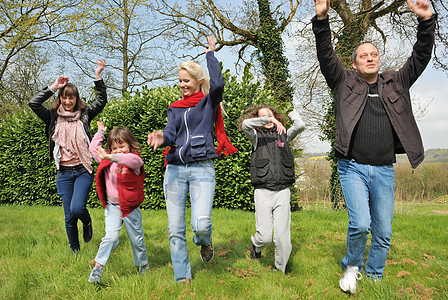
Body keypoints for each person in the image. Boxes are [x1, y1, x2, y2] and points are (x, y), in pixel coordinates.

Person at [312, 0, 436, 293]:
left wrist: (426, 20)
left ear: (379, 60)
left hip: (383, 170)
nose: (369, 58)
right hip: (352, 167)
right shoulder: (344, 82)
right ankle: (352, 267)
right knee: (360, 224)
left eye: (374, 54)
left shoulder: (396, 82)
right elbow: (326, 55)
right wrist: (321, 18)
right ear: (354, 63)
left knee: (383, 232)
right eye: (363, 56)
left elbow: (420, 56)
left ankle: (375, 276)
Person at [147, 35, 237, 283]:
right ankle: (182, 277)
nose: (182, 85)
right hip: (175, 170)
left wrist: (211, 55)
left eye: (186, 81)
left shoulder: (209, 103)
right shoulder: (175, 107)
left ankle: (204, 242)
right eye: (180, 81)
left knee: (201, 224)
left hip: (202, 169)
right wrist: (160, 137)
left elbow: (217, 84)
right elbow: (170, 134)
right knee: (175, 230)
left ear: (198, 82)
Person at [29, 60, 107, 252]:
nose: (68, 101)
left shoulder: (85, 114)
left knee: (77, 209)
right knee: (69, 217)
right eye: (64, 98)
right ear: (60, 98)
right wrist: (54, 87)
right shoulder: (52, 116)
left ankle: (87, 222)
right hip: (63, 173)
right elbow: (33, 102)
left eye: (71, 98)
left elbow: (102, 100)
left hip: (82, 169)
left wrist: (98, 76)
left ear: (76, 99)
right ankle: (75, 252)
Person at [239, 105, 305, 273]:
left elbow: (300, 126)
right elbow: (246, 124)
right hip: (263, 192)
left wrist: (292, 114)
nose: (268, 118)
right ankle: (256, 245)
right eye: (264, 117)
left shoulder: (284, 135)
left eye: (271, 115)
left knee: (283, 237)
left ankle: (279, 270)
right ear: (260, 120)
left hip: (283, 191)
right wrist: (269, 119)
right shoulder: (255, 136)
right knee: (265, 237)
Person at [88, 122, 148, 284]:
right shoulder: (107, 160)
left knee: (136, 239)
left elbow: (133, 160)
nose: (118, 151)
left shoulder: (134, 160)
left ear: (130, 145)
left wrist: (111, 156)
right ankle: (98, 268)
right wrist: (100, 132)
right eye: (114, 148)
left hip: (130, 207)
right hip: (113, 207)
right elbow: (94, 148)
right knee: (111, 237)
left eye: (122, 146)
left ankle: (143, 265)